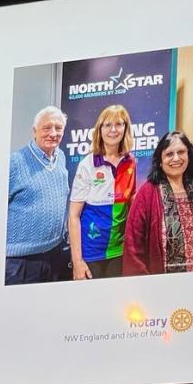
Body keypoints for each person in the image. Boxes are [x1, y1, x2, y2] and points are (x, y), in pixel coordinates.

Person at [123, 131, 193, 276]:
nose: (176, 158)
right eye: (169, 154)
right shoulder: (147, 194)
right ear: (160, 161)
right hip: (161, 285)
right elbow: (133, 247)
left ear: (189, 155)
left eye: (181, 152)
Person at [68, 105, 138, 279]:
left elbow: (131, 205)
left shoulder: (130, 162)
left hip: (119, 251)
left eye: (118, 124)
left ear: (126, 128)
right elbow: (73, 216)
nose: (113, 130)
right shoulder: (87, 164)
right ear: (100, 129)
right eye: (107, 125)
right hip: (91, 253)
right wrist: (77, 261)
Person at [5, 106, 70, 285]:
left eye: (58, 128)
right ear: (35, 131)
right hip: (19, 261)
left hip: (54, 254)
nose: (53, 133)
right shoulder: (15, 162)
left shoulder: (61, 157)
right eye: (47, 128)